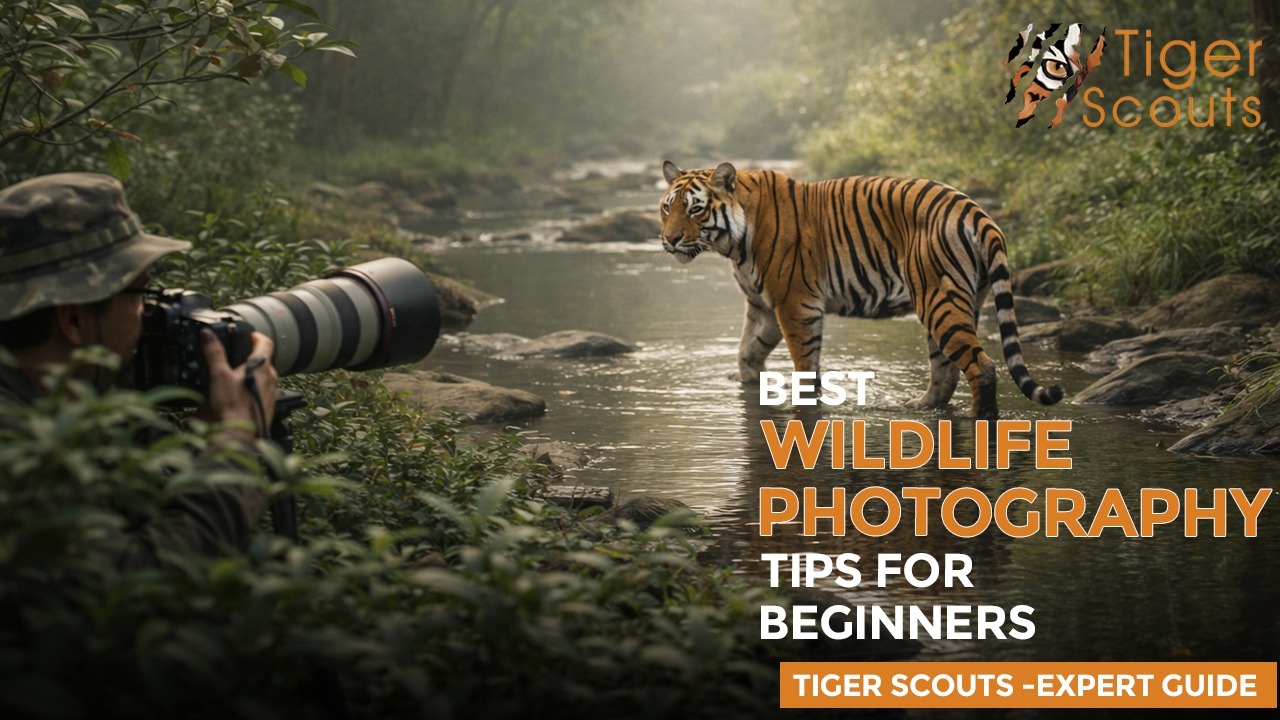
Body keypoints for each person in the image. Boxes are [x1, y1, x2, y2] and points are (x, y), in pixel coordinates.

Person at [0, 172, 280, 568]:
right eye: (140, 295)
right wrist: (237, 440)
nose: (148, 315)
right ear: (75, 320)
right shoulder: (18, 454)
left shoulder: (37, 400)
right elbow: (136, 588)